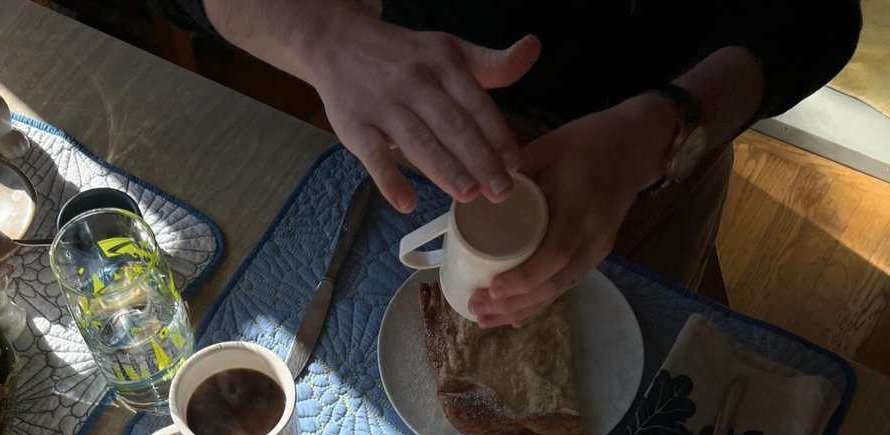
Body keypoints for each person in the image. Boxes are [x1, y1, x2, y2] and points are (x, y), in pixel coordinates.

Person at [159, 0, 861, 322]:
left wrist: (666, 126)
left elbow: (814, 19)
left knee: (672, 353)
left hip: (660, 143)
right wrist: (317, 33)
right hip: (411, 118)